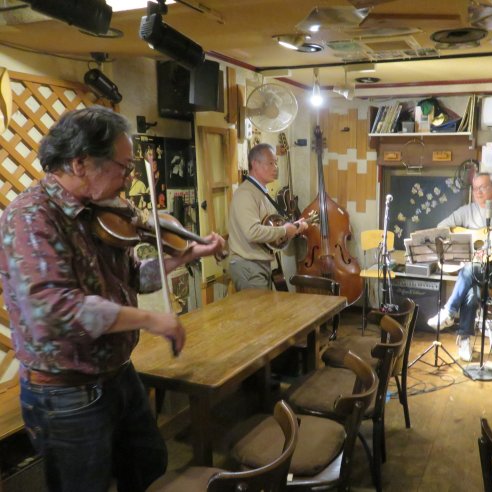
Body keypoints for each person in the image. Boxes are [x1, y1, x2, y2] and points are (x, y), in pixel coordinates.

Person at [0, 106, 226, 491]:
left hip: (117, 374)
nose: (129, 177)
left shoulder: (102, 212)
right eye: (123, 166)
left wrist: (184, 256)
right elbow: (54, 311)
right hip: (67, 391)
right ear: (81, 163)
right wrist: (151, 320)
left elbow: (134, 277)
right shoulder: (31, 217)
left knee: (149, 464)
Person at [426, 172, 492, 361]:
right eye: (475, 188)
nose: (478, 192)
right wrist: (465, 239)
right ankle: (465, 338)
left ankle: (449, 312)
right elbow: (441, 227)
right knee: (472, 293)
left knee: (469, 270)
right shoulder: (466, 211)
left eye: (483, 187)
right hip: (472, 270)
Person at [228, 143, 308, 291]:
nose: (275, 167)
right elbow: (252, 232)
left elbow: (268, 228)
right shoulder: (246, 194)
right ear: (255, 164)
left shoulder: (260, 192)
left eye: (276, 163)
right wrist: (284, 230)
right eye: (270, 163)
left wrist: (293, 228)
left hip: (258, 264)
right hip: (249, 266)